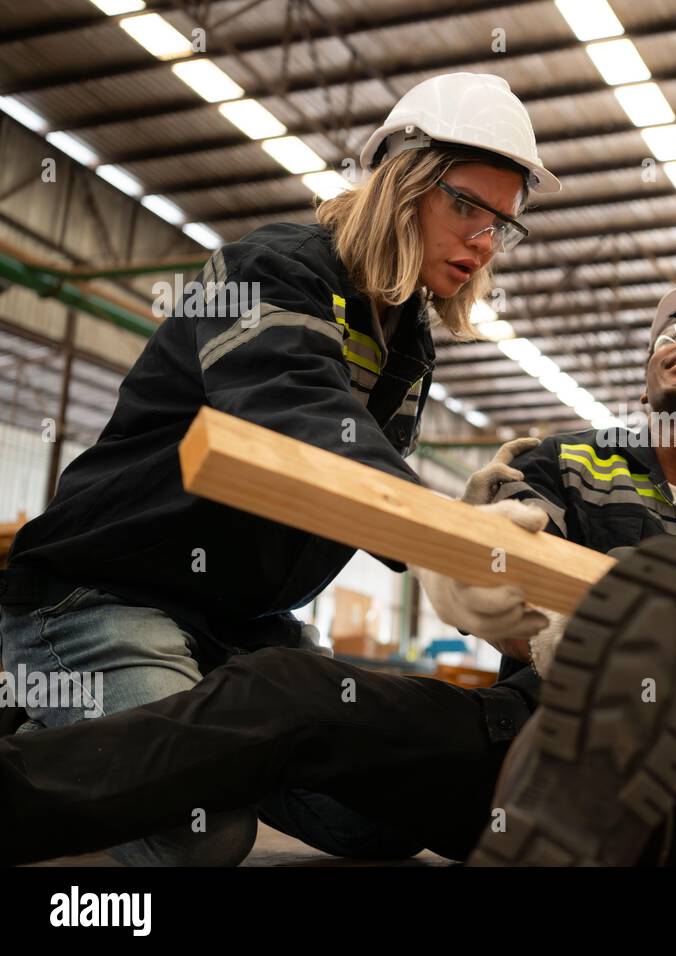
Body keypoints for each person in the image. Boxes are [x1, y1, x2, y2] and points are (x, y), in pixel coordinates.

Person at [0, 285, 676, 867]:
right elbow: (504, 579)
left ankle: (611, 812)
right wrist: (486, 570)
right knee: (290, 688)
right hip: (525, 743)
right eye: (672, 335)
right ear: (645, 377)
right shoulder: (566, 464)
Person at [0, 72, 559, 866]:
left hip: (244, 631)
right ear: (400, 187)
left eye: (502, 223)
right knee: (201, 837)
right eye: (466, 205)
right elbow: (296, 420)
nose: (483, 241)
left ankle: (136, 735)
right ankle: (63, 711)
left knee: (386, 823)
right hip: (105, 594)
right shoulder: (271, 269)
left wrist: (456, 519)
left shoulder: (408, 341)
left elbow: (353, 484)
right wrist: (448, 539)